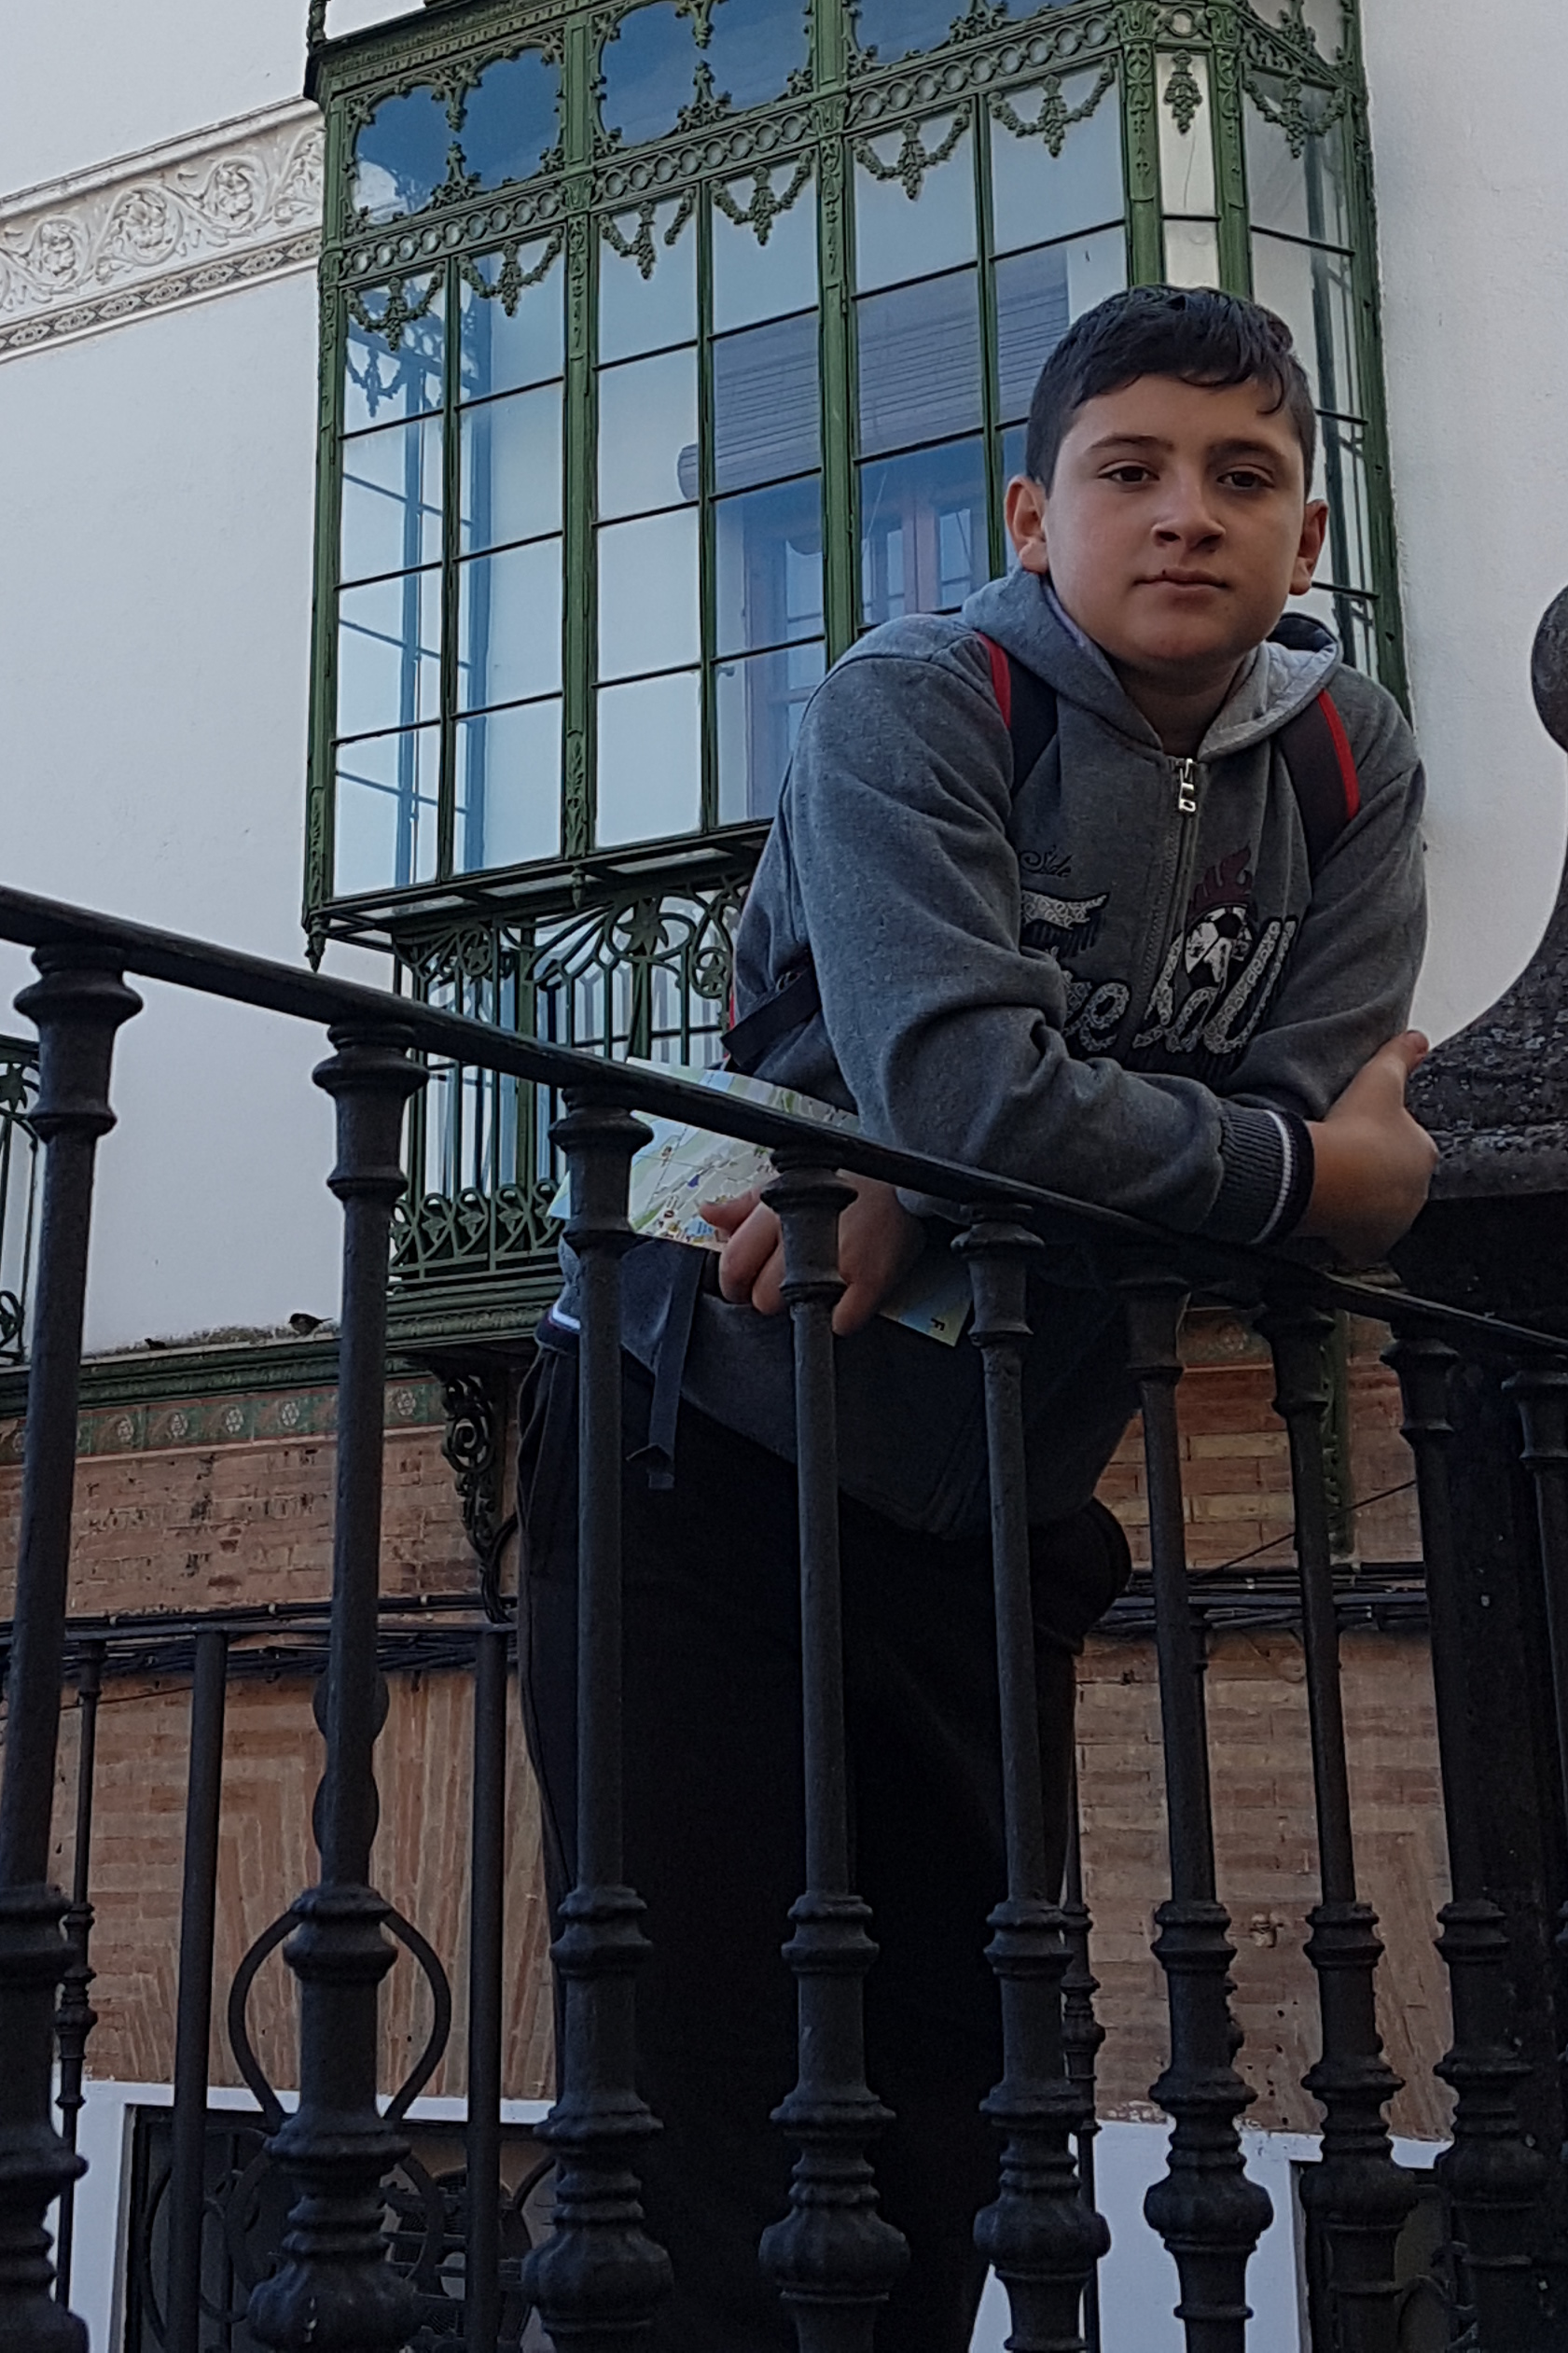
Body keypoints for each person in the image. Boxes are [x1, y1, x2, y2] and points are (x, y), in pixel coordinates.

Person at [518, 286, 1435, 2353]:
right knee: (700, 2085)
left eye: (1243, 475)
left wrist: (943, 1167)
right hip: (699, 1434)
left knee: (953, 2084)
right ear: (1034, 514)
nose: (1186, 513)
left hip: (1001, 1488)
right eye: (1130, 469)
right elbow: (1060, 1106)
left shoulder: (1350, 758)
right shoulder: (914, 699)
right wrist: (1228, 1169)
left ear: (1306, 532)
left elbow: (1288, 1085)